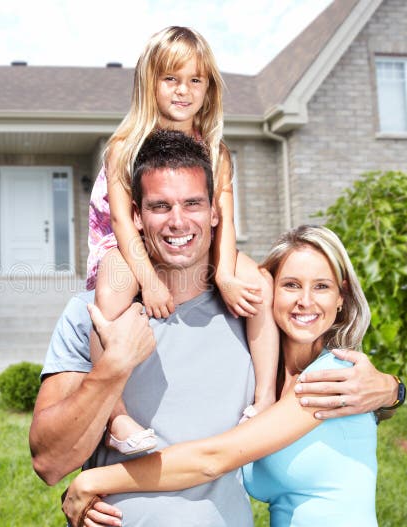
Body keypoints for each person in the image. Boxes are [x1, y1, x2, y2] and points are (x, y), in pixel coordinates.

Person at [29, 129, 402, 526]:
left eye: (193, 203)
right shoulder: (93, 316)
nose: (177, 221)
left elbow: (300, 379)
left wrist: (391, 389)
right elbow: (50, 464)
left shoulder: (250, 315)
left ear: (214, 212)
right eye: (160, 206)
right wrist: (113, 367)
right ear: (136, 215)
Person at [62, 225, 383, 527]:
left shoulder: (331, 377)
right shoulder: (266, 381)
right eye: (291, 284)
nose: (306, 301)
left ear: (341, 298)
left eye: (322, 287)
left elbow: (212, 459)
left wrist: (93, 481)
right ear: (269, 289)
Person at [86, 25, 278, 455]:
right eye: (171, 78)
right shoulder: (124, 146)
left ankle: (265, 396)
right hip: (128, 245)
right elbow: (120, 220)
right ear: (149, 82)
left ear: (209, 89)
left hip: (195, 245)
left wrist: (226, 276)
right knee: (111, 295)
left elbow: (223, 220)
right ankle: (116, 415)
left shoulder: (215, 150)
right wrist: (149, 282)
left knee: (259, 285)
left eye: (196, 80)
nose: (183, 91)